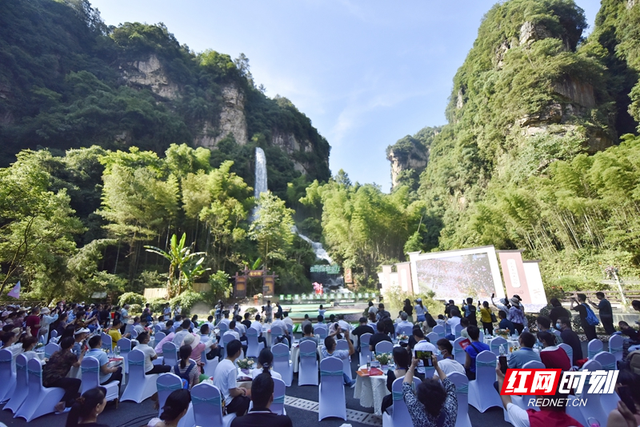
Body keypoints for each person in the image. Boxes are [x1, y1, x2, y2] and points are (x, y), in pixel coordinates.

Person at [496, 365, 583, 427]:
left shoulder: (529, 419)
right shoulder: (574, 423)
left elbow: (507, 402)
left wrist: (500, 377)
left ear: (542, 399)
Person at [403, 353, 457, 427]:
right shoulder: (450, 409)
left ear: (420, 399)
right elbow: (450, 387)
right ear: (442, 394)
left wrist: (412, 365)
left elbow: (406, 386)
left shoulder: (417, 410)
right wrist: (437, 367)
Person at [43, 336, 84, 413]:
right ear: (72, 345)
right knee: (76, 382)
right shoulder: (70, 355)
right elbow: (77, 364)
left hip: (45, 377)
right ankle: (63, 402)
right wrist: (82, 354)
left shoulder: (56, 353)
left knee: (70, 381)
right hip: (54, 379)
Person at [213, 339, 251, 416]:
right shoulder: (231, 368)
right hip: (226, 404)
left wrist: (239, 389)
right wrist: (242, 391)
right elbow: (233, 393)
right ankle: (237, 419)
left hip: (217, 399)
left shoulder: (221, 363)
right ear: (238, 352)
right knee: (246, 399)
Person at [381, 346, 411, 414]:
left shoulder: (391, 374)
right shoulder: (413, 373)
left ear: (395, 359)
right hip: (411, 401)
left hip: (394, 402)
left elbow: (390, 388)